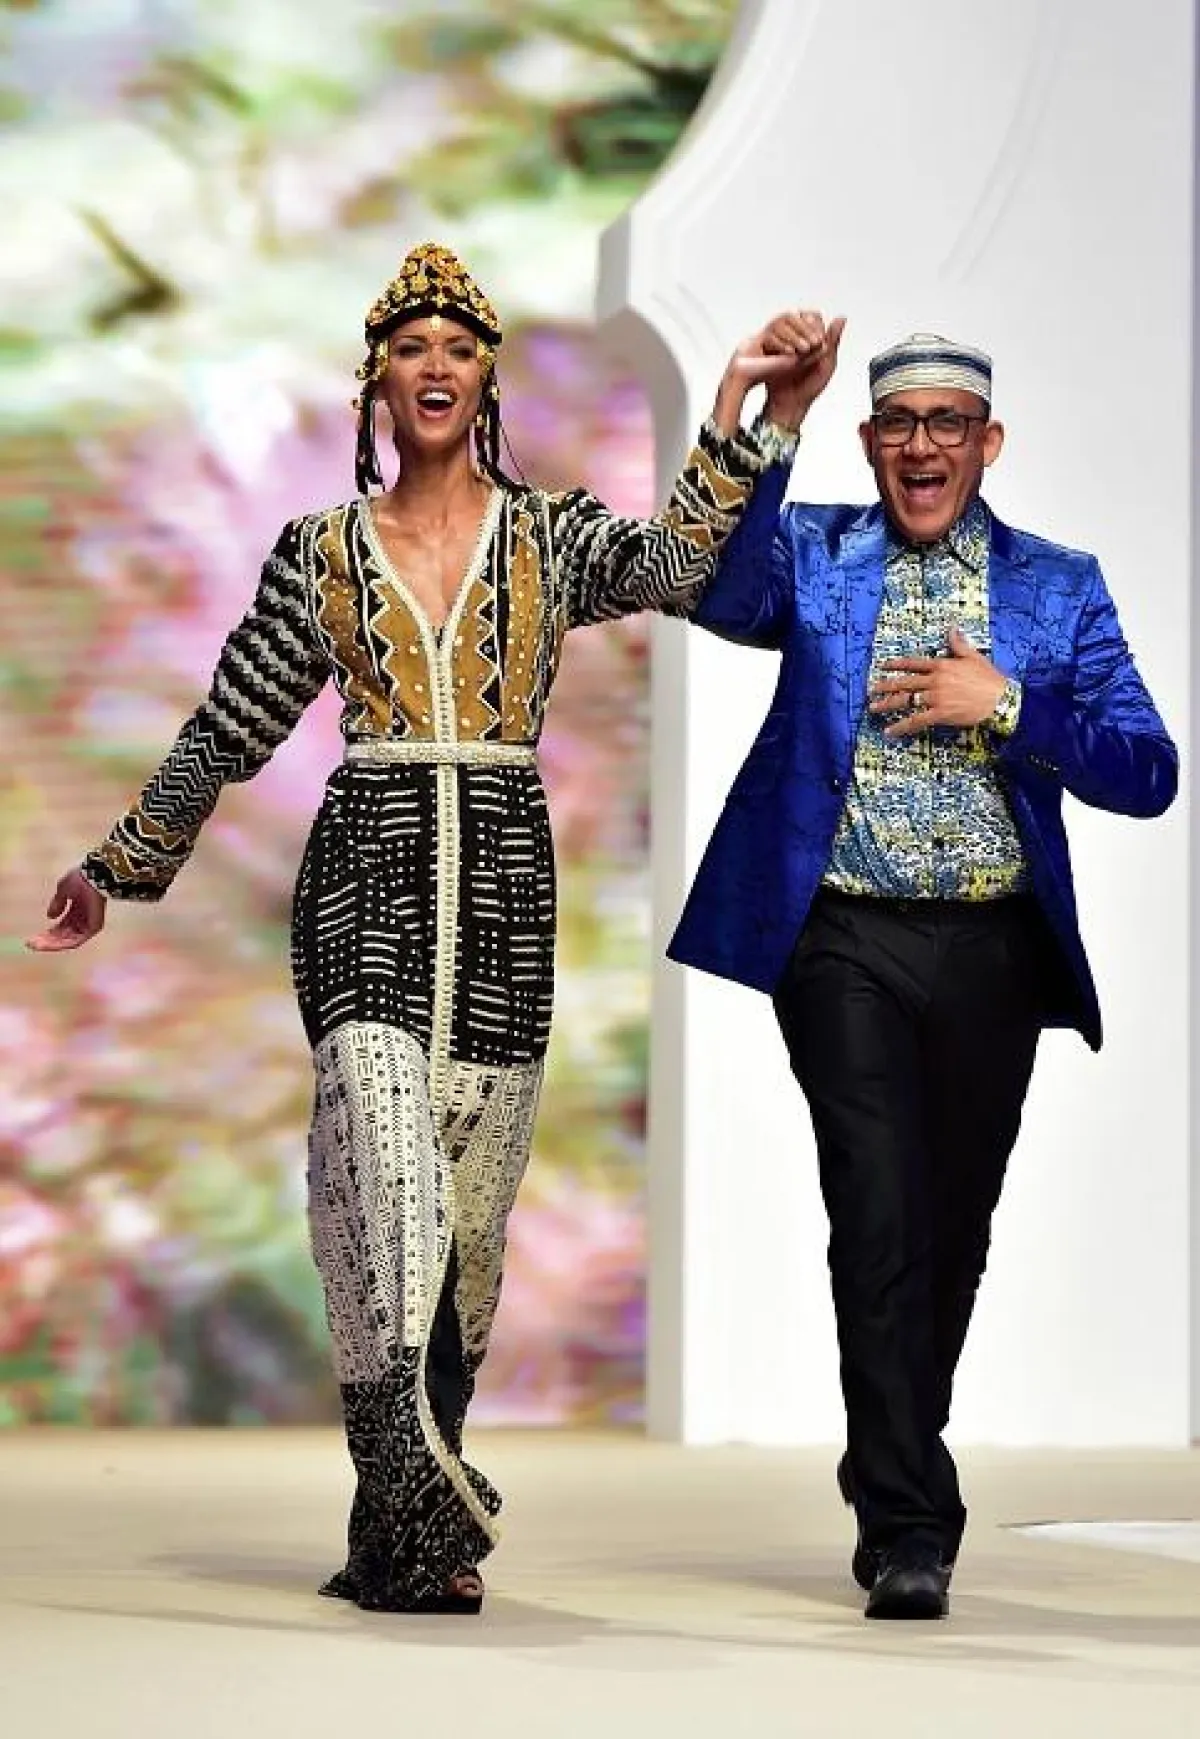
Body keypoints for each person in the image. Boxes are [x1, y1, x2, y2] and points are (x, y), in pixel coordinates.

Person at [27, 241, 812, 1615]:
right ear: (376, 382)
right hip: (365, 877)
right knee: (385, 1180)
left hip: (508, 885)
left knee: (467, 1241)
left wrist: (748, 412)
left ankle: (401, 1533)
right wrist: (120, 864)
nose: (435, 365)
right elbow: (230, 724)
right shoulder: (321, 554)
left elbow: (681, 566)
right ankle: (423, 1494)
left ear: (486, 377)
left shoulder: (551, 536)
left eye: (458, 346)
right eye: (411, 347)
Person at [670, 325, 1178, 1619]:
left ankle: (889, 1450)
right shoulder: (819, 551)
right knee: (878, 1212)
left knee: (952, 1231)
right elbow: (712, 591)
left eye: (948, 423)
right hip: (842, 938)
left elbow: (1149, 770)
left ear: (987, 443)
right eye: (900, 424)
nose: (922, 445)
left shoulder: (1058, 587)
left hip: (993, 947)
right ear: (869, 443)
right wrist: (760, 415)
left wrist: (1005, 704)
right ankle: (907, 1521)